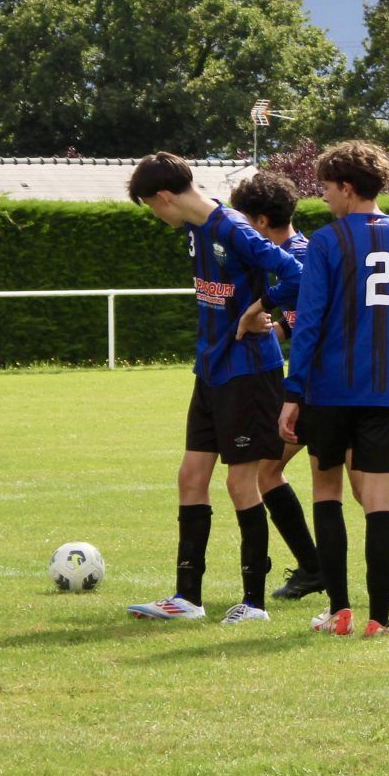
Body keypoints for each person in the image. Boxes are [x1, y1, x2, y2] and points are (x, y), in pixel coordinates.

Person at [229, 171, 389, 607]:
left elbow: (312, 315)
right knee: (364, 487)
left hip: (328, 385)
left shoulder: (305, 251)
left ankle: (321, 574)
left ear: (259, 220)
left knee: (284, 473)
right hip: (369, 386)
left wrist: (262, 312)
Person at [123, 152, 304, 623]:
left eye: (152, 206)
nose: (156, 215)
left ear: (165, 197)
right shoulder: (194, 228)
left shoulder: (235, 228)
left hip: (248, 372)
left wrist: (261, 306)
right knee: (190, 477)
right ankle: (187, 598)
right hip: (210, 369)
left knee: (240, 482)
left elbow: (296, 272)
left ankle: (254, 603)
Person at [277, 141, 389, 638]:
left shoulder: (326, 242)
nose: (323, 196)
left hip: (327, 391)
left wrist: (293, 392)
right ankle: (379, 620)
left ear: (346, 187)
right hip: (384, 393)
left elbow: (309, 323)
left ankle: (339, 612)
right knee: (380, 502)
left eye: (325, 187)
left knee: (327, 493)